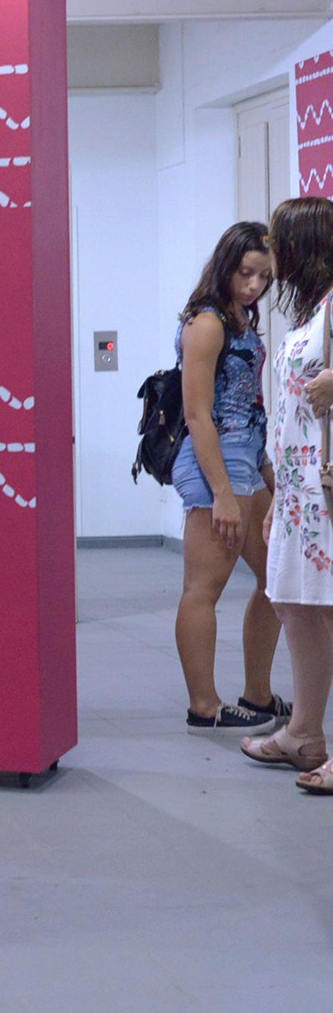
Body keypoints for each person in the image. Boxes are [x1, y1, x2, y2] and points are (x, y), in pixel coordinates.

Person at [170, 223, 288, 741]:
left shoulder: (241, 319)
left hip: (245, 463)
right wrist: (221, 493)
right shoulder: (207, 323)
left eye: (263, 276)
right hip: (211, 466)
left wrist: (264, 468)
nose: (255, 285)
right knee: (204, 588)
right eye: (246, 273)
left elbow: (249, 405)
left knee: (276, 578)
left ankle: (257, 694)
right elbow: (198, 414)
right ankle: (204, 705)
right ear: (226, 266)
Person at [255, 198, 333, 786]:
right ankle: (304, 733)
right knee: (293, 602)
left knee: (324, 610)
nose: (273, 257)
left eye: (280, 242)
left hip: (326, 489)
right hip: (299, 491)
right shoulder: (311, 313)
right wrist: (278, 493)